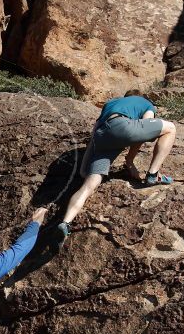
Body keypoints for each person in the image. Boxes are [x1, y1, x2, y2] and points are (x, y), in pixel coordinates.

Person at [53, 90, 177, 248]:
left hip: (102, 136)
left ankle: (66, 222)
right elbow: (143, 128)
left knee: (89, 184)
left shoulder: (110, 103)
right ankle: (153, 174)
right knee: (171, 128)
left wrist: (84, 168)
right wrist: (130, 161)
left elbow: (93, 136)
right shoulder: (146, 103)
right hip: (123, 127)